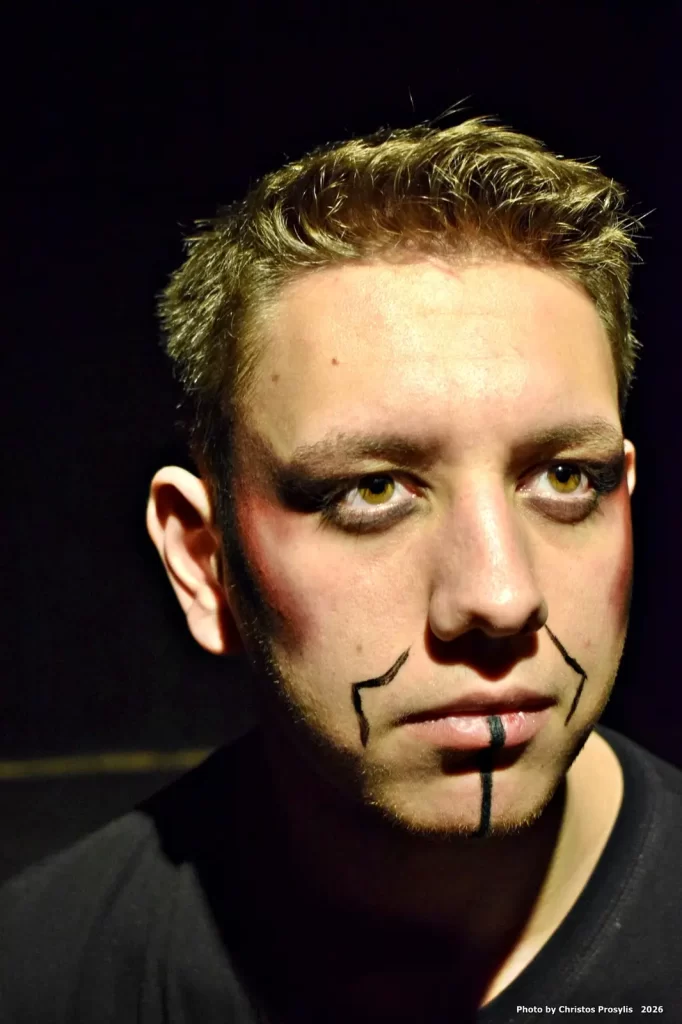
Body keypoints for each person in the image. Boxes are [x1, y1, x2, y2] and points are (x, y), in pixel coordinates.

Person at [1, 111, 680, 1024]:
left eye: (564, 478)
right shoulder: (36, 977)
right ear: (203, 560)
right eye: (372, 490)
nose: (500, 596)